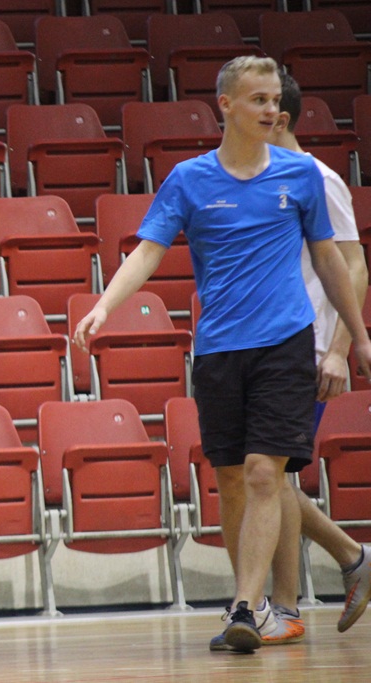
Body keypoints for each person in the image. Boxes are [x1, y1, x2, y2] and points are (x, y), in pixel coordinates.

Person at [72, 55, 371, 654]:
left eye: (274, 101)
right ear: (226, 106)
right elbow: (149, 251)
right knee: (231, 481)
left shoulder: (301, 175)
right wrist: (106, 305)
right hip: (217, 350)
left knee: (267, 473)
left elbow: (334, 261)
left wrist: (356, 337)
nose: (271, 109)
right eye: (257, 99)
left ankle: (244, 606)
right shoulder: (188, 178)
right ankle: (258, 601)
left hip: (285, 345)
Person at [254, 72, 370, 646]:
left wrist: (339, 349)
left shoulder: (319, 181)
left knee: (270, 475)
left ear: (280, 118)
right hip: (272, 347)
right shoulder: (267, 180)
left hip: (309, 348)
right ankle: (352, 557)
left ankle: (287, 607)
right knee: (268, 475)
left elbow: (355, 266)